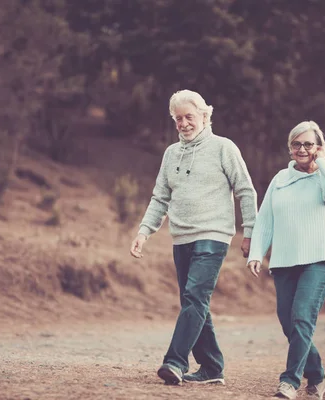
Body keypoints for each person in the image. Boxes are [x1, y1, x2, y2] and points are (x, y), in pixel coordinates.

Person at [130, 89, 257, 386]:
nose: (184, 123)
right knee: (193, 302)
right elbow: (160, 198)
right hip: (181, 237)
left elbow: (245, 190)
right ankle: (212, 367)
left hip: (213, 236)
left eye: (189, 116)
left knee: (195, 298)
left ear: (204, 115)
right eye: (178, 119)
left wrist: (249, 231)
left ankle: (174, 362)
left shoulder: (224, 148)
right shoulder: (171, 153)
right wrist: (143, 231)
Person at [246, 121, 325, 400]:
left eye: (308, 144)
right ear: (290, 148)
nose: (302, 149)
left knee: (302, 317)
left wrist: (323, 163)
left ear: (318, 147)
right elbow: (266, 219)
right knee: (287, 320)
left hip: (320, 259)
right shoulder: (280, 179)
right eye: (296, 144)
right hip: (284, 260)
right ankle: (317, 376)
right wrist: (257, 252)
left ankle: (289, 382)